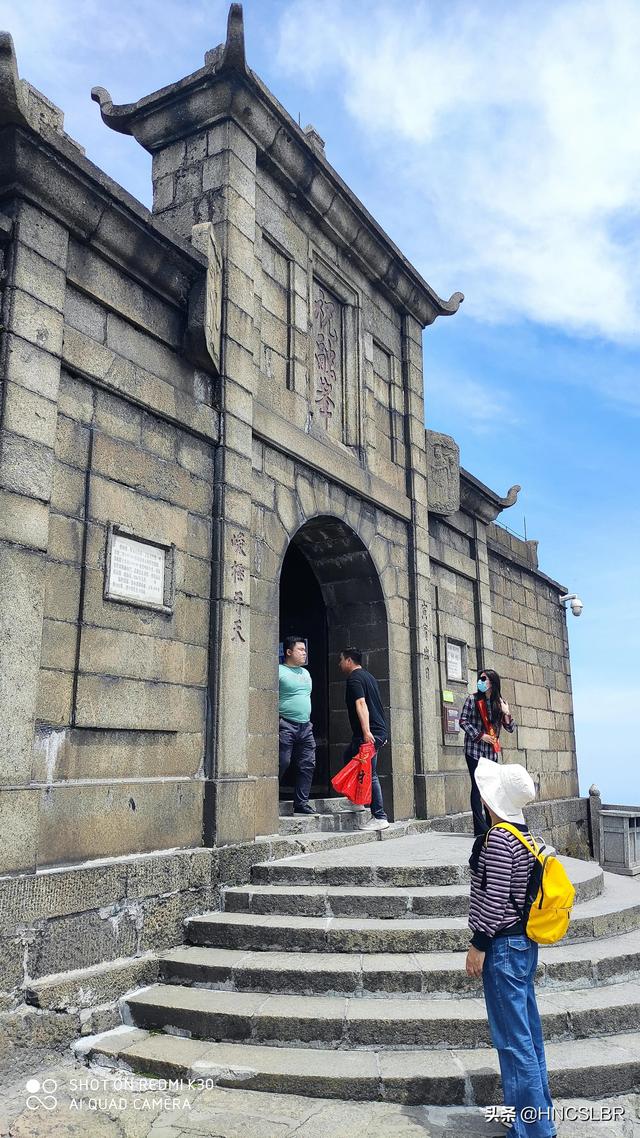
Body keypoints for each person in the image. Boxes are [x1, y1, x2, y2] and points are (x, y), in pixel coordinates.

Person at [466, 758, 556, 1138]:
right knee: (527, 1035)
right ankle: (538, 1117)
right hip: (522, 945)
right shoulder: (524, 834)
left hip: (502, 947)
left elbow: (495, 898)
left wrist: (478, 945)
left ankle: (533, 1130)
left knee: (514, 1040)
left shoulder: (501, 839)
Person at [338, 647, 389, 831]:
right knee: (349, 756)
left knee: (371, 774)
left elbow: (361, 703)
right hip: (374, 731)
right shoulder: (368, 676)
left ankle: (380, 816)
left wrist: (367, 732)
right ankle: (357, 800)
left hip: (370, 733)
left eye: (341, 660)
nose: (340, 664)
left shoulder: (354, 678)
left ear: (349, 661)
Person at [460, 668, 515, 836]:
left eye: (484, 679)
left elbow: (510, 728)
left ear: (492, 682)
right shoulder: (473, 699)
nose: (481, 681)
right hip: (474, 750)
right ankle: (479, 828)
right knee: (477, 788)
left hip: (491, 753)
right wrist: (480, 736)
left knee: (490, 789)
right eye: (480, 678)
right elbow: (463, 720)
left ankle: (492, 825)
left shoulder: (500, 702)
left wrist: (507, 713)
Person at [278, 636, 316, 815]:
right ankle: (270, 796)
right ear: (288, 652)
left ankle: (301, 803)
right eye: (301, 650)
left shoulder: (305, 673)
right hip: (286, 723)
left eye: (305, 650)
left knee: (307, 764)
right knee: (283, 761)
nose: (304, 653)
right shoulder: (279, 671)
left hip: (305, 726)